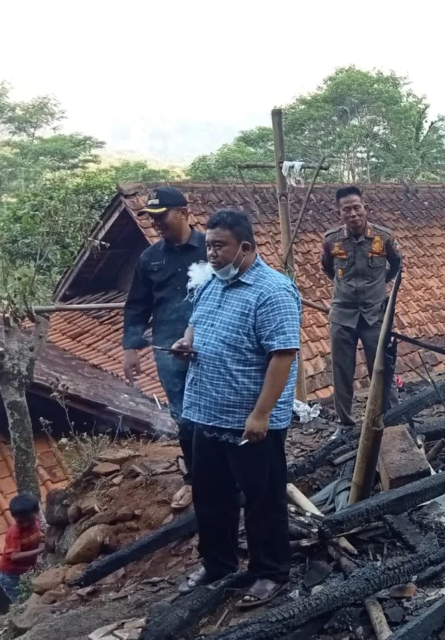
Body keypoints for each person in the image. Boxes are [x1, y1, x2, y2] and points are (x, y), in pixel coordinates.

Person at [173, 208, 300, 609]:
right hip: (207, 411)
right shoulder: (212, 283)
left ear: (245, 247)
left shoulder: (273, 291)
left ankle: (270, 571)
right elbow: (197, 322)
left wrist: (261, 413)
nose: (211, 254)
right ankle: (219, 565)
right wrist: (186, 341)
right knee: (211, 496)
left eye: (219, 246)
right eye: (208, 245)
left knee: (262, 498)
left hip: (250, 420)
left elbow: (283, 355)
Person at [123, 186, 206, 511]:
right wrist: (131, 347)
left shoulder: (209, 249)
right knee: (184, 418)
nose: (156, 223)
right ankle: (195, 480)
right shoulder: (150, 258)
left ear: (184, 213)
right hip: (168, 352)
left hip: (211, 347)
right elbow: (136, 306)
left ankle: (227, 473)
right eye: (152, 218)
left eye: (162, 216)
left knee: (217, 411)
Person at [321, 186, 402, 428]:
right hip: (342, 315)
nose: (353, 213)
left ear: (365, 207)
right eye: (347, 210)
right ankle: (345, 423)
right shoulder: (332, 240)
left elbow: (396, 265)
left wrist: (379, 286)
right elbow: (328, 268)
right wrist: (344, 287)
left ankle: (391, 421)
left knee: (382, 370)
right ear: (340, 213)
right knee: (342, 372)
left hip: (375, 315)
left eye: (357, 207)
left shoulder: (383, 238)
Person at [0, 494, 43, 603]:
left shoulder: (37, 523)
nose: (25, 524)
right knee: (21, 601)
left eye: (29, 520)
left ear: (36, 513)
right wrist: (40, 550)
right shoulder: (14, 532)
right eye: (20, 521)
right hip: (10, 575)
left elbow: (37, 535)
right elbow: (15, 556)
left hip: (25, 571)